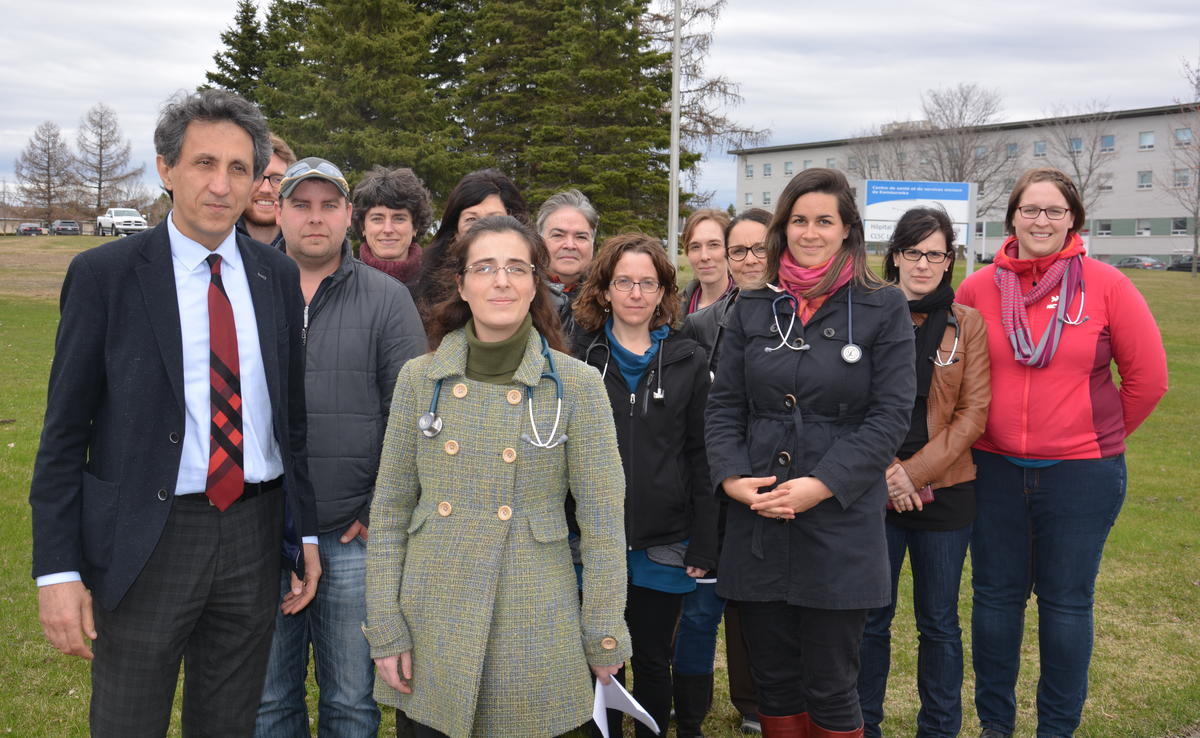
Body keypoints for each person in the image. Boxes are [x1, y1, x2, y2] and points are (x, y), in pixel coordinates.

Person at [29, 88, 321, 737]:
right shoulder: (105, 276)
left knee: (228, 723)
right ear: (166, 169)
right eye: (204, 163)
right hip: (147, 538)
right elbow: (63, 437)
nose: (221, 185)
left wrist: (302, 533)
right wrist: (58, 570)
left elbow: (290, 423)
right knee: (128, 721)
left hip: (252, 535)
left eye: (239, 168)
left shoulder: (275, 277)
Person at [364, 215, 630, 737]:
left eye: (516, 268)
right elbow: (391, 511)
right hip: (432, 616)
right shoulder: (419, 379)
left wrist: (603, 632)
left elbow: (602, 524)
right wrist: (386, 628)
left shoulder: (576, 386)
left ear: (535, 283)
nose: (501, 281)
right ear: (461, 285)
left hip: (533, 615)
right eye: (485, 268)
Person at [956, 168, 1168, 738]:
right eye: (1030, 209)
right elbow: (953, 378)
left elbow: (1148, 379)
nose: (1041, 221)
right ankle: (995, 725)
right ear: (1012, 217)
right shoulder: (977, 288)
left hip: (1081, 476)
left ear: (1072, 218)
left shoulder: (1107, 285)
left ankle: (1056, 729)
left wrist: (1092, 436)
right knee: (995, 600)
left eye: (1054, 210)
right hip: (993, 469)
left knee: (1067, 604)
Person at [705, 168, 915, 738]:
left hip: (839, 521)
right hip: (760, 516)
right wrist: (732, 478)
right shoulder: (753, 305)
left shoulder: (882, 306)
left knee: (831, 683)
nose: (810, 232)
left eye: (824, 220)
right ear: (783, 228)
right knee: (773, 680)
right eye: (799, 220)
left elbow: (890, 416)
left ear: (847, 229)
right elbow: (724, 406)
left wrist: (822, 484)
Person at [255, 157, 426, 737]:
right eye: (301, 205)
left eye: (329, 205)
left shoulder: (387, 299)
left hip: (352, 536)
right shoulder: (245, 290)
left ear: (349, 215)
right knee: (268, 701)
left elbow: (411, 417)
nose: (315, 217)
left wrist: (376, 507)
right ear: (279, 212)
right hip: (263, 531)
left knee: (352, 701)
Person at [572, 234, 718, 737]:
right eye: (623, 282)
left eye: (647, 283)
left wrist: (705, 540)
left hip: (664, 541)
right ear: (604, 290)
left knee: (654, 658)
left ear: (663, 293)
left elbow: (702, 455)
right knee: (600, 662)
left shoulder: (689, 359)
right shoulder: (579, 359)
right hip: (591, 540)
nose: (635, 293)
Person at [856, 207, 990, 738]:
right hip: (873, 489)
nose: (923, 264)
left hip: (946, 492)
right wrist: (888, 472)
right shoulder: (864, 314)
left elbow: (973, 414)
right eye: (913, 252)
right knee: (870, 619)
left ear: (949, 260)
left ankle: (939, 728)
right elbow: (849, 405)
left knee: (939, 623)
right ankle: (862, 724)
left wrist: (913, 475)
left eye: (935, 254)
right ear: (894, 256)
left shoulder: (968, 324)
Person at [676, 206, 773, 737]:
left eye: (759, 248)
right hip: (721, 470)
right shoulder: (699, 322)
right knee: (714, 587)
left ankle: (761, 698)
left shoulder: (798, 311)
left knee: (761, 594)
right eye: (740, 250)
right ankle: (715, 696)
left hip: (781, 470)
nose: (748, 259)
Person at [412, 168, 527, 312]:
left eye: (495, 219)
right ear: (455, 231)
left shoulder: (534, 290)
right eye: (471, 219)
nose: (482, 229)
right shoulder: (424, 294)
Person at [351, 165, 434, 290]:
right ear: (363, 227)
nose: (388, 229)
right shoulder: (342, 285)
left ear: (415, 226)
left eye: (399, 218)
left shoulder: (440, 287)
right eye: (377, 219)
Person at [537, 188, 598, 339]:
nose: (570, 245)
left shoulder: (609, 300)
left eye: (581, 237)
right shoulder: (520, 296)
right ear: (539, 240)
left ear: (592, 243)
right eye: (558, 235)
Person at [238, 132, 297, 248]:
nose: (266, 189)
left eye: (277, 179)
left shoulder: (306, 247)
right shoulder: (214, 240)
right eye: (256, 176)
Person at [680, 209, 733, 315]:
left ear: (730, 249)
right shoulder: (672, 310)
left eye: (714, 245)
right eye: (695, 247)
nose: (704, 256)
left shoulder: (748, 307)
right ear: (687, 252)